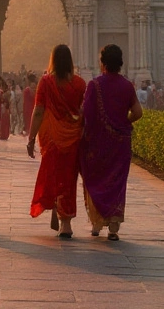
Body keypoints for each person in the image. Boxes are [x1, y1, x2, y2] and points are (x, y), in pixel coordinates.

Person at [79, 45, 142, 241]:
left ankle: (97, 222)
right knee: (116, 182)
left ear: (102, 62)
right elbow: (138, 112)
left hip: (98, 142)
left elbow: (86, 115)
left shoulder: (94, 85)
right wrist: (124, 122)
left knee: (96, 178)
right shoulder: (127, 85)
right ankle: (114, 225)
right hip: (121, 142)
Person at [27, 44, 86, 238]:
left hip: (51, 138)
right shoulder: (79, 84)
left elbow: (38, 111)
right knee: (69, 179)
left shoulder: (46, 82)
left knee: (53, 176)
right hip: (73, 138)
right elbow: (83, 112)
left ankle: (56, 207)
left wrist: (31, 137)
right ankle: (66, 222)